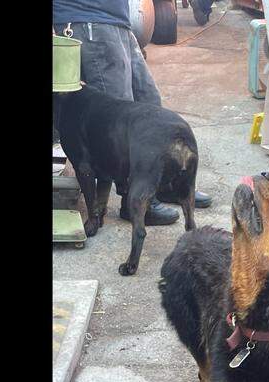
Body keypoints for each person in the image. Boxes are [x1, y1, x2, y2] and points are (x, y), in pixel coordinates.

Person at [53, 0, 214, 226]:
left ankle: (165, 183)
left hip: (116, 21)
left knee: (149, 100)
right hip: (89, 19)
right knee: (119, 122)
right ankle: (134, 201)